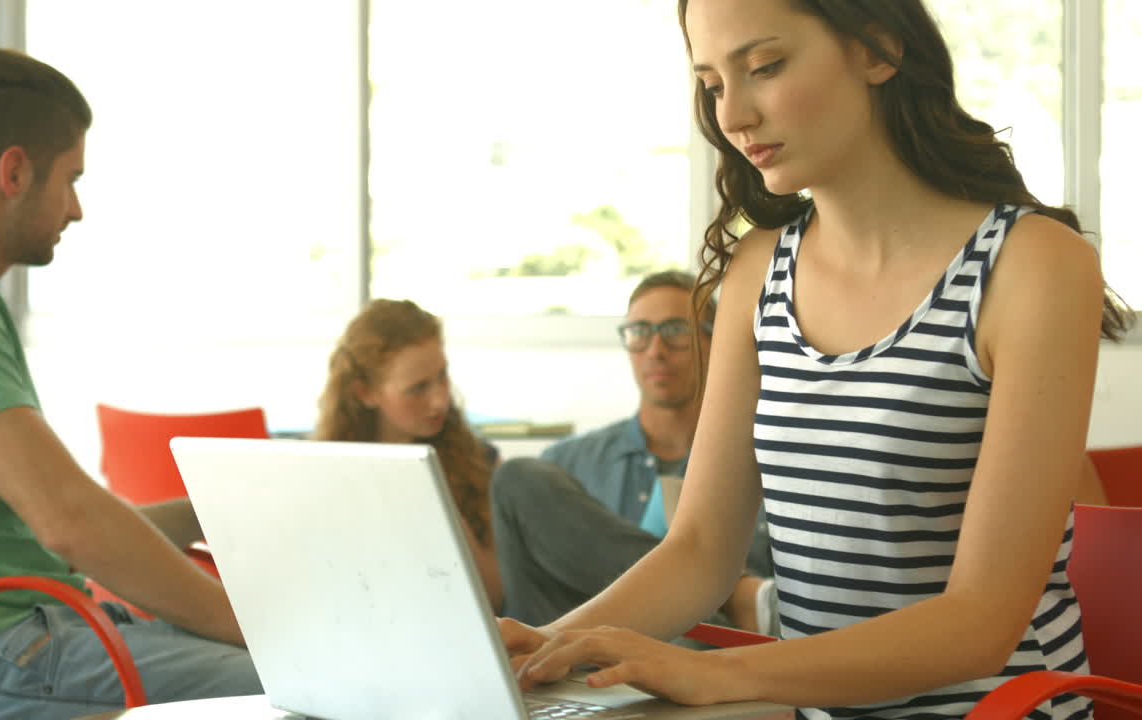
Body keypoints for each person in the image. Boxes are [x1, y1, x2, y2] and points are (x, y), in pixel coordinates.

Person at [499, 2, 1133, 718]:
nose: (734, 116)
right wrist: (542, 646)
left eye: (764, 67)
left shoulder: (1033, 267)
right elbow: (702, 549)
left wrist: (717, 675)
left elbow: (981, 622)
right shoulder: (757, 270)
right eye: (712, 84)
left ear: (878, 49)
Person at [0, 50, 261, 720]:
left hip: (0, 647)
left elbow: (47, 528)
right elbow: (68, 522)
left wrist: (201, 510)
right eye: (70, 178)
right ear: (14, 171)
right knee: (337, 686)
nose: (75, 208)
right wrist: (256, 628)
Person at [490, 270, 777, 634]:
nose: (655, 351)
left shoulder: (764, 461)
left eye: (676, 331)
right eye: (640, 333)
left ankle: (699, 611)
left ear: (715, 343)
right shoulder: (567, 463)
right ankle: (730, 599)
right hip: (573, 649)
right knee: (520, 478)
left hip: (694, 658)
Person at [313, 298, 504, 611]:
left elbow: (495, 597)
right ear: (365, 393)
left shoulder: (481, 461)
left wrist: (434, 493)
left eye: (442, 376)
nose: (440, 401)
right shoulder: (325, 471)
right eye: (418, 389)